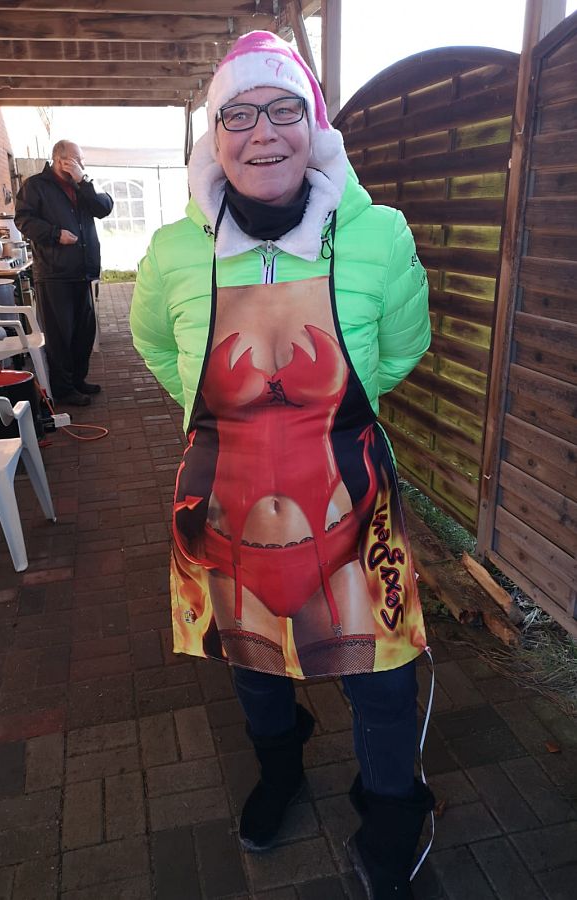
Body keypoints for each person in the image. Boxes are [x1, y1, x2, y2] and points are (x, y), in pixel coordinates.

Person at [130, 31, 434, 899]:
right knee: (251, 659)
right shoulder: (173, 251)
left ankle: (391, 810)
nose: (262, 132)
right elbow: (156, 348)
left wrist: (325, 417)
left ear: (315, 126)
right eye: (238, 114)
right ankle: (279, 764)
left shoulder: (378, 235)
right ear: (214, 135)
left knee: (381, 675)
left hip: (351, 495)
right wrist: (220, 422)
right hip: (221, 500)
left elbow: (402, 347)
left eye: (282, 109)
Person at [15, 140, 113, 406]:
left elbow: (104, 207)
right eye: (77, 159)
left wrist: (84, 181)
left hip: (83, 271)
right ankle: (63, 389)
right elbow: (23, 220)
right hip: (54, 273)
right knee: (60, 335)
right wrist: (55, 234)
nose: (82, 164)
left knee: (84, 332)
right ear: (61, 161)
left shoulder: (82, 185)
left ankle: (78, 380)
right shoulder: (36, 186)